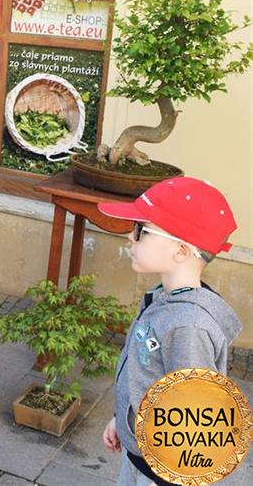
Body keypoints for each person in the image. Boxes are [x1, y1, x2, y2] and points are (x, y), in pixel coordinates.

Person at [97, 178, 241, 486]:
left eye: (140, 230)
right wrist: (123, 420)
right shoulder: (162, 297)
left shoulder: (188, 326)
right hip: (138, 456)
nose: (129, 237)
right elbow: (146, 377)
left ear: (181, 250)